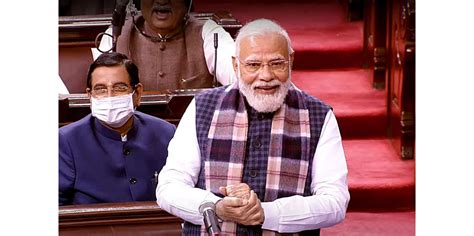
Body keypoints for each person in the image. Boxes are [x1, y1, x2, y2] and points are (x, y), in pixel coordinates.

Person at [156, 19, 350, 235]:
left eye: (277, 64)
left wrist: (266, 213)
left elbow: (335, 202)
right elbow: (169, 187)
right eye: (253, 65)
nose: (266, 76)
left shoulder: (319, 115)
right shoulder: (203, 106)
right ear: (236, 65)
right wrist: (217, 207)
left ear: (291, 60)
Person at [59, 52, 176, 205]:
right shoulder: (67, 140)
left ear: (137, 93)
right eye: (100, 89)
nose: (109, 96)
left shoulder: (166, 133)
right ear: (90, 95)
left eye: (119, 88)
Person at [92, 0, 236, 92]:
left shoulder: (209, 33)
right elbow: (100, 93)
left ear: (187, 3)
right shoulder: (117, 35)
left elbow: (240, 80)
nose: (161, 1)